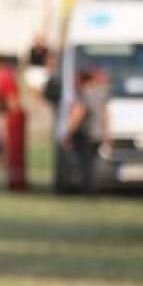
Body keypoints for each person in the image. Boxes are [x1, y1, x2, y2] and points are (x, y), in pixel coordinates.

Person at [61, 65, 109, 195]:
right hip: (98, 134)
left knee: (85, 164)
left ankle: (88, 190)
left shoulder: (83, 95)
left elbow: (78, 114)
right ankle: (93, 187)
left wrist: (69, 133)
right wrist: (107, 133)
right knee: (93, 164)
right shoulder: (101, 95)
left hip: (86, 133)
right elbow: (106, 115)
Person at [0, 54, 27, 191]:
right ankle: (16, 181)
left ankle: (15, 182)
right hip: (15, 115)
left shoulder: (4, 75)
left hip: (13, 117)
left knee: (14, 152)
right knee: (15, 152)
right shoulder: (9, 74)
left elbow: (11, 98)